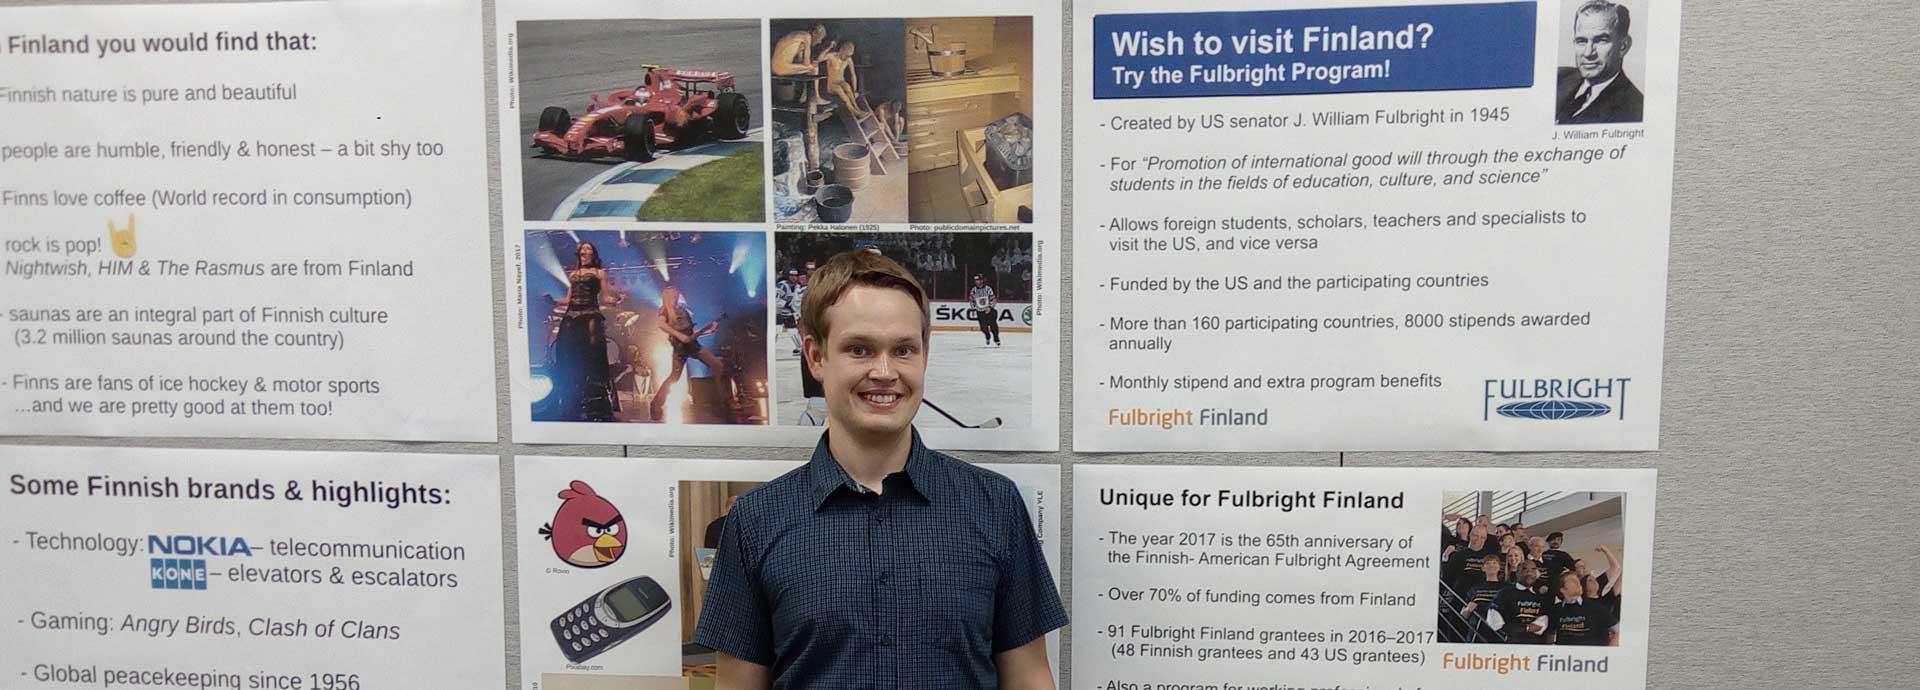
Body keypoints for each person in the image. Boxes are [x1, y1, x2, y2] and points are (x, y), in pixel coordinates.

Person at [696, 250, 1066, 689]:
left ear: (924, 355)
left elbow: (1030, 679)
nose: (885, 372)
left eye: (903, 350)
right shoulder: (756, 521)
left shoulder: (995, 505)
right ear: (816, 357)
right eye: (860, 349)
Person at [552, 241, 614, 421]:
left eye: (588, 249)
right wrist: (554, 301)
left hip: (590, 314)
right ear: (579, 253)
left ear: (593, 254)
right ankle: (571, 396)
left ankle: (596, 399)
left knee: (593, 351)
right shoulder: (573, 274)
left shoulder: (599, 273)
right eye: (582, 249)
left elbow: (605, 296)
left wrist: (615, 299)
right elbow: (567, 299)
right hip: (571, 316)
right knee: (566, 351)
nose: (585, 252)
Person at [1555, 0, 1643, 124]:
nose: (1588, 53)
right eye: (1581, 41)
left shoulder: (1634, 109)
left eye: (1601, 40)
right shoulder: (1559, 77)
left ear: (1623, 46)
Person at [649, 285, 726, 422]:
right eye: (672, 296)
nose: (674, 298)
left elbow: (692, 331)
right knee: (674, 377)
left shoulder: (683, 310)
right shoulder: (665, 310)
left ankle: (722, 402)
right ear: (666, 297)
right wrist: (679, 335)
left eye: (676, 295)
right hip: (680, 348)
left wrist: (709, 330)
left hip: (693, 345)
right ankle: (656, 404)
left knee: (717, 365)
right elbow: (661, 325)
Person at [1494, 561, 1554, 644]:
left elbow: (1541, 626)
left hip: (1535, 646)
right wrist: (1526, 628)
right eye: (1525, 569)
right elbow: (1495, 623)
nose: (1529, 573)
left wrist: (1516, 628)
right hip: (1508, 645)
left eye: (1533, 570)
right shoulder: (1504, 593)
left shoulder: (1541, 596)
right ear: (1517, 573)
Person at [819, 41, 871, 118]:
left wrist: (855, 90)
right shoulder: (832, 56)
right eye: (846, 55)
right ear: (841, 50)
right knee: (839, 89)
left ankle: (857, 108)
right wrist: (829, 47)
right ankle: (855, 112)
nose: (847, 57)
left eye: (849, 56)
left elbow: (853, 75)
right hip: (831, 85)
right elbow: (819, 59)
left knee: (847, 86)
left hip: (841, 82)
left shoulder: (849, 60)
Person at [971, 273, 1001, 347]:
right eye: (975, 280)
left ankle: (996, 338)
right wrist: (973, 309)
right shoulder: (973, 290)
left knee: (993, 326)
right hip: (980, 311)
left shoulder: (988, 289)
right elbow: (972, 300)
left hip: (989, 311)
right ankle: (987, 335)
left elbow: (993, 299)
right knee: (983, 328)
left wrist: (990, 307)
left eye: (978, 280)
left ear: (981, 280)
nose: (976, 282)